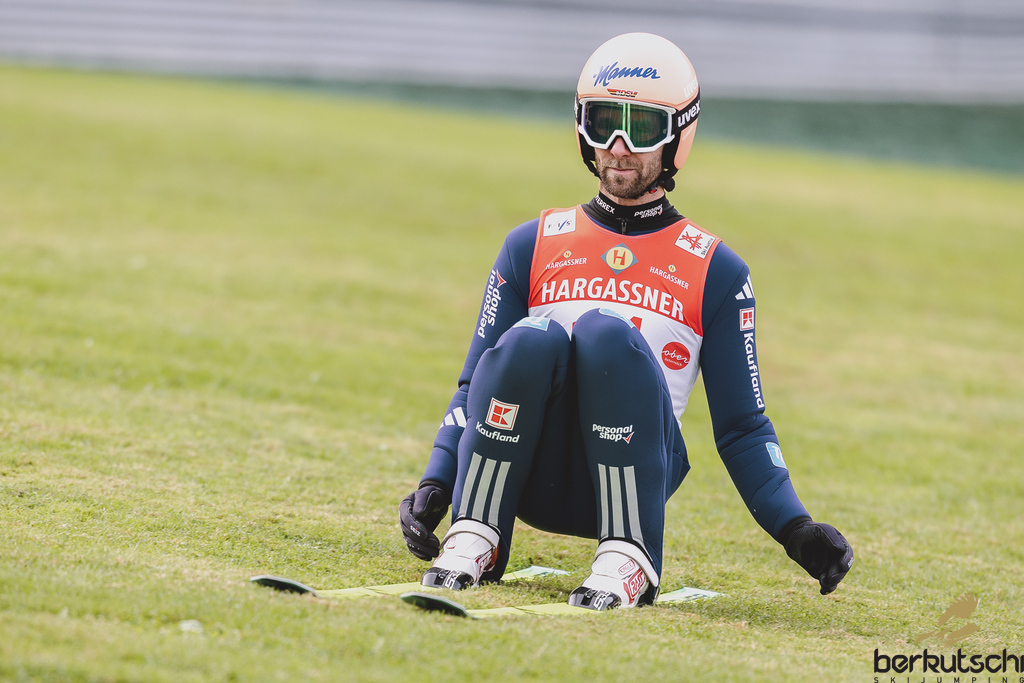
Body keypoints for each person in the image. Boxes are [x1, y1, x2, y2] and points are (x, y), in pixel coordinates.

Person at [399, 32, 853, 610]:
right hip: (528, 474)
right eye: (604, 121)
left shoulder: (716, 269)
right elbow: (474, 385)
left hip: (633, 483)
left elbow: (742, 428)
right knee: (531, 338)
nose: (618, 146)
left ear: (678, 136)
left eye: (641, 128)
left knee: (605, 334)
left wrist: (795, 528)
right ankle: (478, 532)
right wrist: (438, 480)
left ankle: (629, 554)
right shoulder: (530, 244)